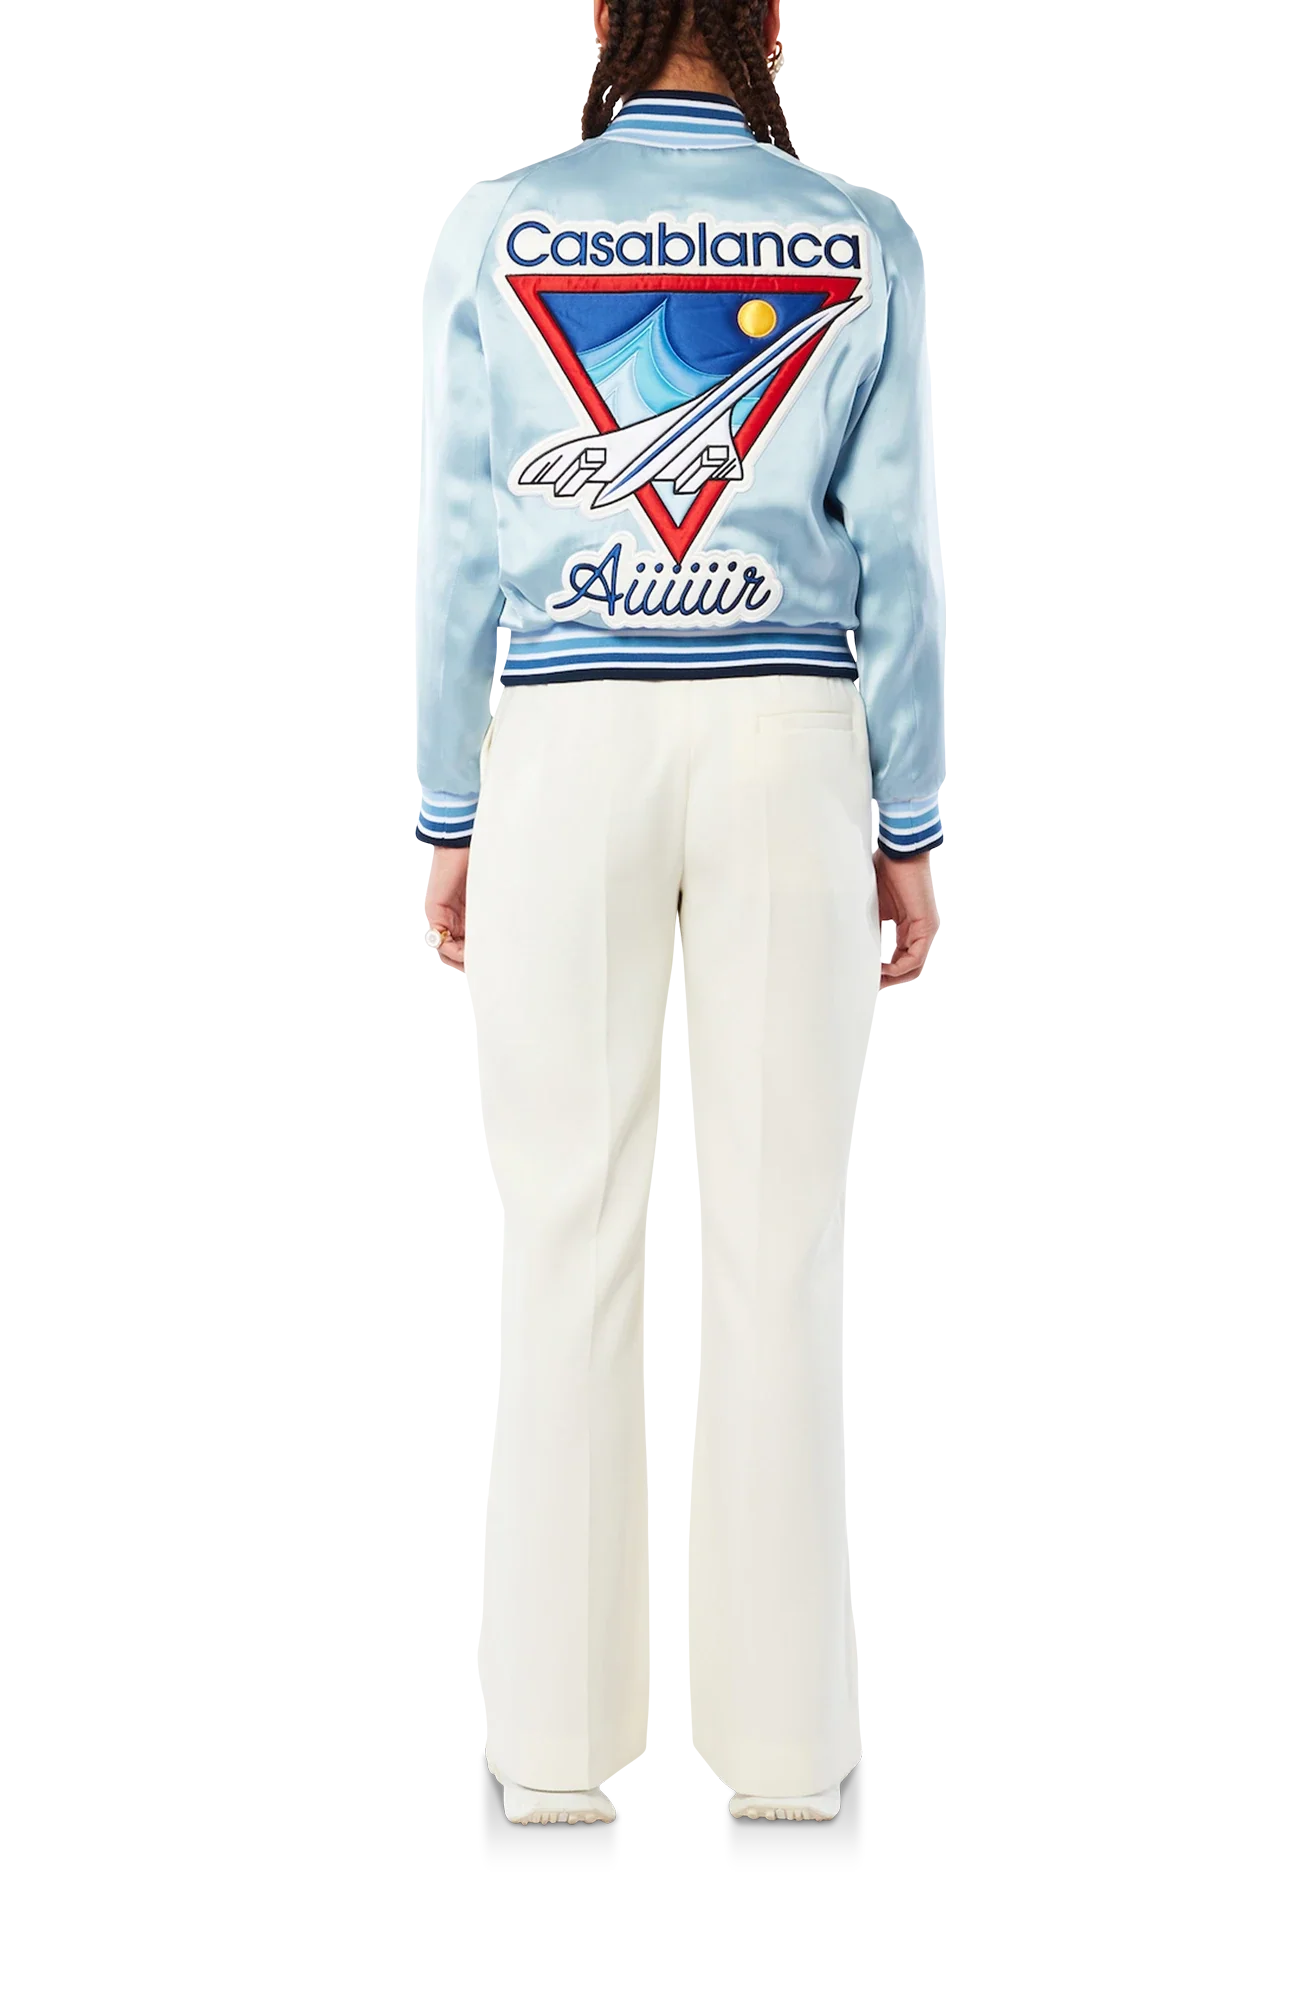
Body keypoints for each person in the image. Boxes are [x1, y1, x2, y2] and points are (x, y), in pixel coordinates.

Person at [412, 0, 943, 1826]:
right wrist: (909, 816)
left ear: (607, 19)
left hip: (561, 741)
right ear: (772, 20)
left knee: (564, 1239)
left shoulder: (499, 228)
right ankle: (783, 1755)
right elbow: (896, 547)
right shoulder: (853, 237)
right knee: (775, 1248)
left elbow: (460, 544)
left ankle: (551, 1758)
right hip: (791, 741)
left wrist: (449, 809)